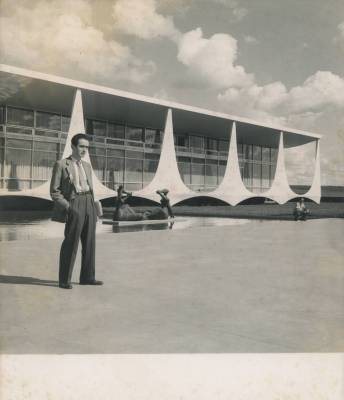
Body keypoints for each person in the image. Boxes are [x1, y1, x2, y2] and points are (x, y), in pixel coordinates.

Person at [50, 133, 103, 289]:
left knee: (90, 243)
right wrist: (68, 207)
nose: (84, 150)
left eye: (87, 147)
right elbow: (54, 192)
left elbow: (89, 187)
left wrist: (94, 207)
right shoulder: (61, 164)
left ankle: (87, 277)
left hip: (89, 203)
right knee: (71, 243)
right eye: (81, 146)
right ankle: (64, 280)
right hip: (74, 203)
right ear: (73, 146)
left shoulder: (87, 165)